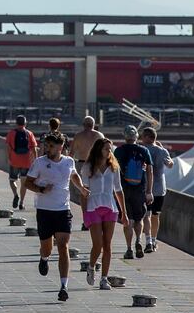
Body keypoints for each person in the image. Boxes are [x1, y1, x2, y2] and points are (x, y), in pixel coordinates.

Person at [25, 132, 88, 302]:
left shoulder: (68, 162)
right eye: (46, 145)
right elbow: (27, 182)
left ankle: (63, 286)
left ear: (61, 147)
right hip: (44, 211)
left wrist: (81, 188)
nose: (48, 148)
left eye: (51, 146)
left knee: (63, 247)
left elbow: (73, 175)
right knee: (47, 248)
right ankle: (44, 258)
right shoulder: (40, 163)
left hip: (63, 210)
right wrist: (41, 190)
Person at [80, 137, 127, 290]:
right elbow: (83, 192)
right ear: (99, 149)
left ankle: (104, 278)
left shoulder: (113, 167)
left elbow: (118, 190)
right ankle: (91, 266)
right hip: (93, 206)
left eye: (110, 149)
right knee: (98, 244)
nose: (109, 152)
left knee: (107, 244)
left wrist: (124, 213)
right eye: (106, 149)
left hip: (110, 207)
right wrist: (84, 212)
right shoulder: (88, 167)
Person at [114, 126, 153, 259]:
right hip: (140, 189)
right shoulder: (144, 150)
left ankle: (129, 248)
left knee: (127, 220)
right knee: (139, 218)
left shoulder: (118, 151)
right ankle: (138, 240)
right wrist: (149, 191)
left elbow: (113, 170)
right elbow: (149, 172)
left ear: (125, 137)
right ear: (136, 136)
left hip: (123, 190)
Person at [141, 127, 173, 253]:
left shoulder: (142, 150)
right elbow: (170, 164)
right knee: (155, 215)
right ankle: (154, 240)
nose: (141, 139)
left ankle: (148, 241)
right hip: (159, 189)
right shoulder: (162, 151)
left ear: (148, 137)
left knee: (146, 215)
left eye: (143, 136)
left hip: (145, 188)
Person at [6, 115, 38, 210]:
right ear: (25, 123)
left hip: (14, 161)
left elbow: (8, 147)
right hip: (26, 161)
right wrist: (35, 160)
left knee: (12, 180)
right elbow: (34, 148)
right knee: (24, 183)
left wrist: (9, 158)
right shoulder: (29, 133)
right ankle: (22, 203)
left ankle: (16, 195)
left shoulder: (11, 133)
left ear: (16, 123)